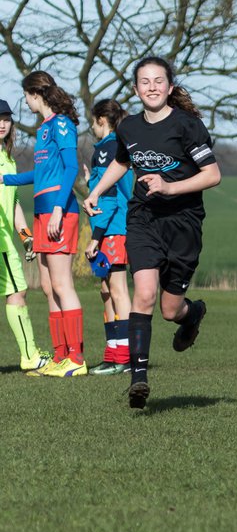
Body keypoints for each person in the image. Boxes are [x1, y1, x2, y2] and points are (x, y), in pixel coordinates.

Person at [84, 57, 221, 410]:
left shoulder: (187, 126)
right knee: (142, 293)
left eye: (159, 81)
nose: (152, 87)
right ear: (135, 89)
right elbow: (122, 161)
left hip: (183, 223)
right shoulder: (129, 128)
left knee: (169, 309)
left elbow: (212, 175)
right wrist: (96, 191)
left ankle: (193, 315)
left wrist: (170, 187)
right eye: (144, 82)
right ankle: (138, 379)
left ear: (170, 87)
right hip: (143, 219)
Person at [3, 72, 86, 378]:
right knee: (49, 287)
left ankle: (76, 359)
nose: (25, 102)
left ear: (35, 93)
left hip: (57, 213)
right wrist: (5, 179)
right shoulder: (44, 129)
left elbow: (70, 168)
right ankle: (60, 355)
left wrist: (57, 211)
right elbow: (41, 174)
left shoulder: (61, 124)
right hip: (41, 213)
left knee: (63, 285)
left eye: (26, 96)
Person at [83, 99, 134, 375]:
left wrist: (96, 237)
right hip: (109, 228)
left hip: (114, 228)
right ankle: (113, 353)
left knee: (117, 290)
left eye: (93, 121)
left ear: (102, 119)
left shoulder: (109, 148)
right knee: (107, 291)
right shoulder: (110, 147)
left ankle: (124, 357)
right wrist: (92, 182)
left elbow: (111, 198)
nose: (92, 127)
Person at [0, 97, 50, 373]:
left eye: (6, 119)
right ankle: (29, 357)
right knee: (17, 291)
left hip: (7, 237)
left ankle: (30, 354)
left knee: (16, 291)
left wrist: (26, 235)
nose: (2, 124)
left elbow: (14, 200)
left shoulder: (6, 157)